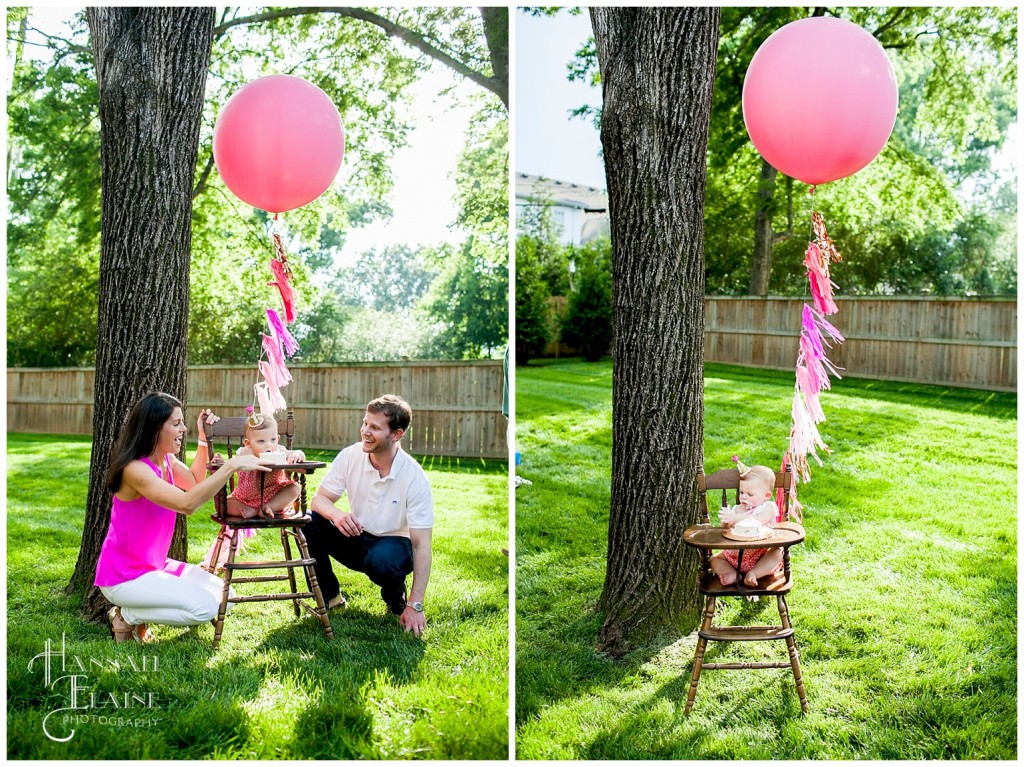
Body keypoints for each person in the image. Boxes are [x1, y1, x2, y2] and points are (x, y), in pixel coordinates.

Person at [95, 392, 270, 643]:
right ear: (154, 428)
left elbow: (195, 482)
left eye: (182, 422)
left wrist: (201, 438)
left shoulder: (167, 460)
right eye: (176, 423)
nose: (182, 428)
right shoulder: (135, 470)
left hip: (155, 566)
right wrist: (232, 465)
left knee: (226, 597)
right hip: (124, 576)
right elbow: (188, 504)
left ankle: (133, 613)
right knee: (205, 609)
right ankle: (128, 615)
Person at [305, 394, 433, 637]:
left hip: (394, 545)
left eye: (375, 427)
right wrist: (337, 515)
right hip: (356, 536)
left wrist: (416, 605)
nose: (365, 431)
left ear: (396, 434)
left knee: (382, 561)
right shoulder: (350, 455)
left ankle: (395, 598)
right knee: (308, 522)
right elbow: (318, 500)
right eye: (365, 423)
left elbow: (421, 544)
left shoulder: (415, 477)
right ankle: (331, 597)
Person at [710, 463, 783, 588]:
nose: (744, 497)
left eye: (750, 494)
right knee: (713, 559)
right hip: (737, 556)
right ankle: (733, 574)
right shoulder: (738, 509)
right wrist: (727, 519)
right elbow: (725, 529)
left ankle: (753, 574)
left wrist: (735, 518)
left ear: (766, 496)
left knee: (777, 553)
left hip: (761, 554)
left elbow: (757, 521)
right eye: (741, 492)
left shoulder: (768, 507)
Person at [225, 412, 305, 519]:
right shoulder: (244, 453)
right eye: (261, 441)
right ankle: (255, 510)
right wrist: (222, 461)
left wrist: (296, 455)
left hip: (273, 495)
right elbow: (230, 465)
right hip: (245, 499)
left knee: (295, 489)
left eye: (273, 440)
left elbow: (297, 453)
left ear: (278, 438)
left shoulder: (279, 450)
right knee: (225, 505)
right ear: (248, 443)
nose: (268, 445)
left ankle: (268, 507)